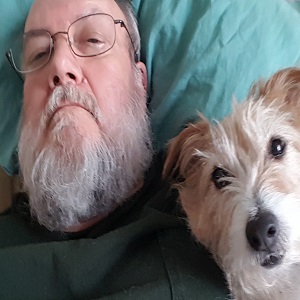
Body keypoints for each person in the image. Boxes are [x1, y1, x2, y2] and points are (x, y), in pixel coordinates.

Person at [0, 0, 228, 298]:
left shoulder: (215, 227)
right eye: (40, 53)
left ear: (140, 82)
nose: (59, 65)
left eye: (93, 39)